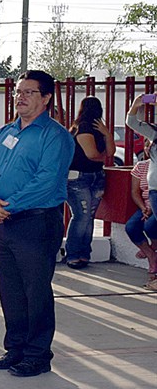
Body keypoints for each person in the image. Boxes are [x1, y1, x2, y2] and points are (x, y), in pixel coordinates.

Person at [0, 70, 75, 377]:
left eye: (29, 92)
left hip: (36, 223)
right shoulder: (6, 132)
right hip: (5, 223)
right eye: (19, 91)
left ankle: (37, 354)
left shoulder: (55, 137)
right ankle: (15, 348)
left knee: (36, 291)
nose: (21, 97)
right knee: (11, 291)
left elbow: (46, 181)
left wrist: (8, 205)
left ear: (46, 98)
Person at [63, 96, 114, 269]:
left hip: (91, 175)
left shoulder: (95, 128)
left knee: (86, 216)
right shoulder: (84, 128)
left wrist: (107, 134)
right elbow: (93, 154)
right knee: (83, 216)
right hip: (81, 176)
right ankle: (75, 253)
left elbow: (110, 151)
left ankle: (81, 254)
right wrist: (103, 156)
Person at [124, 153, 157, 289]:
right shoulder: (141, 166)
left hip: (155, 206)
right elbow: (135, 192)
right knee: (131, 227)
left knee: (150, 226)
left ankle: (154, 246)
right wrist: (143, 208)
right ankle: (151, 255)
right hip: (145, 206)